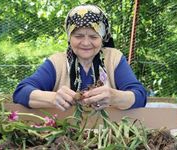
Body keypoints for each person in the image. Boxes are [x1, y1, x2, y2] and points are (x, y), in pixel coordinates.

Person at [13, 4, 147, 111]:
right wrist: (53, 98)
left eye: (94, 37)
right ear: (69, 37)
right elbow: (21, 92)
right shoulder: (57, 63)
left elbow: (140, 95)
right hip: (65, 131)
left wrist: (115, 97)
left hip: (106, 132)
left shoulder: (114, 59)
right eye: (78, 36)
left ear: (103, 38)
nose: (86, 43)